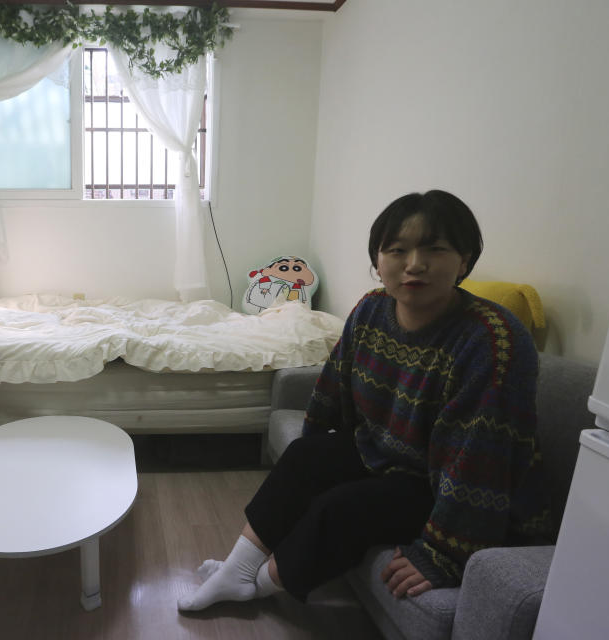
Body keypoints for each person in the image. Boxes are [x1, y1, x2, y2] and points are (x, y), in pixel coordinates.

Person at [177, 190, 551, 611]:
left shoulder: (492, 339)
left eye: (435, 249)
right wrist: (316, 459)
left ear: (464, 260)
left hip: (445, 484)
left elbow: (481, 459)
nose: (414, 264)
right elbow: (332, 386)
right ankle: (236, 569)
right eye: (398, 250)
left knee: (342, 507)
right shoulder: (373, 310)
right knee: (304, 456)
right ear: (378, 261)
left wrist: (444, 553)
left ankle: (255, 584)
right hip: (388, 455)